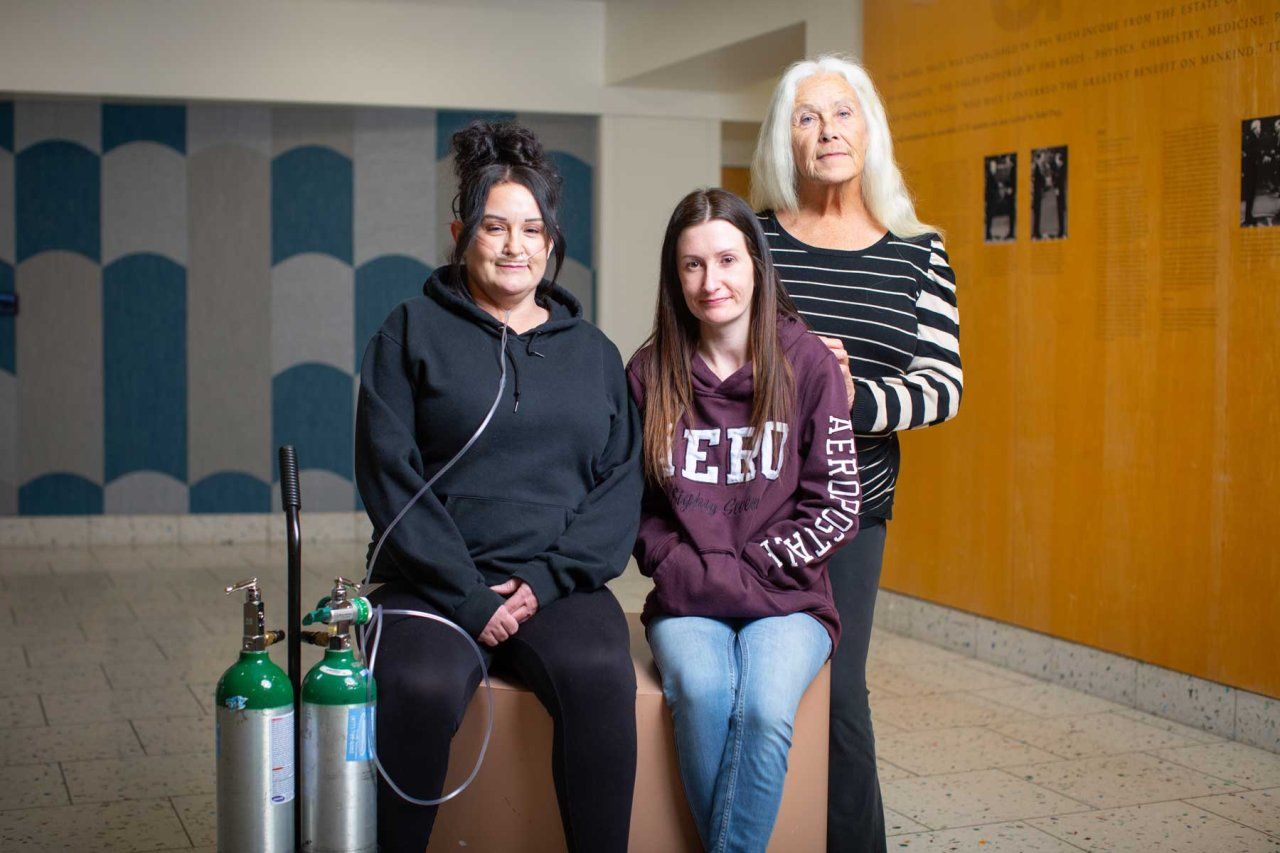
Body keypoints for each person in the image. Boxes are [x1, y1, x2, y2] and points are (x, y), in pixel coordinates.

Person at [355, 120, 642, 852]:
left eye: (532, 228)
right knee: (412, 686)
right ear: (461, 232)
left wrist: (545, 582)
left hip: (556, 584)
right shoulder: (408, 331)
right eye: (494, 226)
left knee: (601, 673)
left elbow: (620, 483)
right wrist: (466, 596)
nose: (516, 245)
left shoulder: (595, 354)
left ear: (552, 241)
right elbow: (390, 474)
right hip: (430, 583)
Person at [750, 54, 964, 853]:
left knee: (837, 691)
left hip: (853, 502)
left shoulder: (920, 252)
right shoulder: (755, 241)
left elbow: (943, 386)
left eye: (842, 113)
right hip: (749, 498)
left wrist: (851, 399)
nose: (827, 130)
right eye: (807, 117)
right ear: (786, 140)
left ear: (868, 129)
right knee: (748, 682)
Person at [629, 187, 860, 853]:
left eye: (727, 260)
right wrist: (681, 565)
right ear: (675, 276)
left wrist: (753, 563)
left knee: (760, 707)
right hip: (688, 595)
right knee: (701, 692)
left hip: (788, 596)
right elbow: (633, 506)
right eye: (693, 265)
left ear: (756, 265)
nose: (712, 282)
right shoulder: (650, 374)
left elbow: (838, 502)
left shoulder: (808, 363)